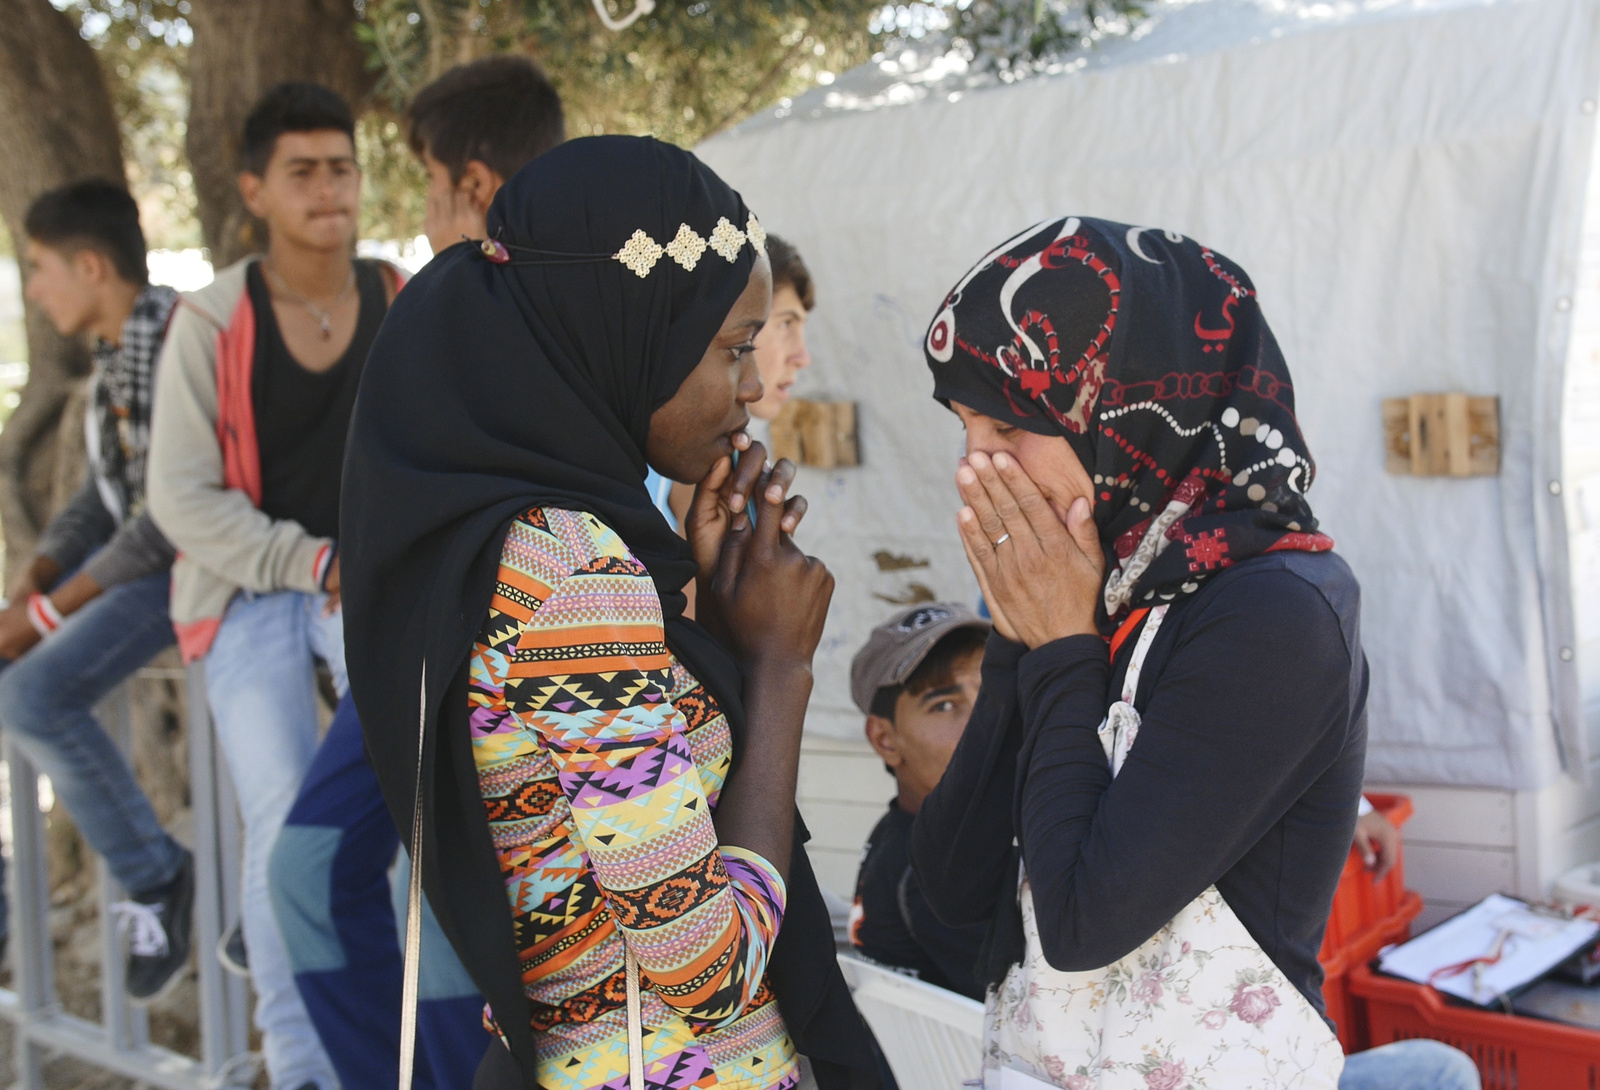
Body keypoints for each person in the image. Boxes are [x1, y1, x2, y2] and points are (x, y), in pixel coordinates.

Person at [338, 135, 882, 1090]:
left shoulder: (506, 540)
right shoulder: (576, 576)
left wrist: (708, 631)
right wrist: (779, 670)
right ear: (629, 331)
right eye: (732, 348)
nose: (753, 386)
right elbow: (709, 974)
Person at [911, 217, 1362, 1087]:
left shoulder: (1279, 613)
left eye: (1007, 426)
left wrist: (1061, 646)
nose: (975, 466)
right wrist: (1018, 636)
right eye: (964, 427)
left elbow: (1085, 923)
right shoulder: (1102, 591)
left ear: (1123, 409)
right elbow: (952, 890)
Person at [265, 55, 564, 1090]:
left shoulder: (579, 309)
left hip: (500, 659)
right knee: (306, 872)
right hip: (407, 646)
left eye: (430, 185)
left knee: (443, 924)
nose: (424, 210)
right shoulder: (441, 303)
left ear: (472, 186)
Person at [147, 82, 401, 1090]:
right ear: (255, 191)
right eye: (302, 171)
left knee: (415, 789)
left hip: (368, 585)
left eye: (341, 167)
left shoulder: (397, 295)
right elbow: (179, 496)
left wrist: (361, 564)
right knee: (286, 818)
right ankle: (301, 1067)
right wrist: (308, 561)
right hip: (249, 590)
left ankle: (414, 1043)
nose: (328, 188)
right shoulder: (211, 321)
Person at [1, 179, 190, 1000]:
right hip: (143, 565)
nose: (34, 290)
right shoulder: (120, 350)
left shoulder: (174, 339)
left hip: (184, 571)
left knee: (32, 696)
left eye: (39, 268)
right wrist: (37, 574)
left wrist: (45, 614)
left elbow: (162, 522)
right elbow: (102, 494)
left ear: (89, 266)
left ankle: (158, 876)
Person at [847, 603, 990, 1000]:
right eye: (944, 705)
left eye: (992, 693)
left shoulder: (908, 831)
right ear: (885, 739)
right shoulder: (939, 868)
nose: (985, 722)